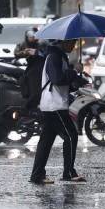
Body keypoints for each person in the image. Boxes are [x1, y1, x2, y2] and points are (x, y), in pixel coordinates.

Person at [29, 39, 85, 185]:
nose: (73, 46)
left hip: (53, 104)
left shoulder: (59, 56)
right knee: (71, 136)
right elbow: (57, 79)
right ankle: (68, 172)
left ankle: (37, 175)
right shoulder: (54, 56)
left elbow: (64, 84)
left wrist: (78, 80)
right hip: (55, 105)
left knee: (46, 141)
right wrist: (74, 71)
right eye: (71, 42)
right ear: (63, 42)